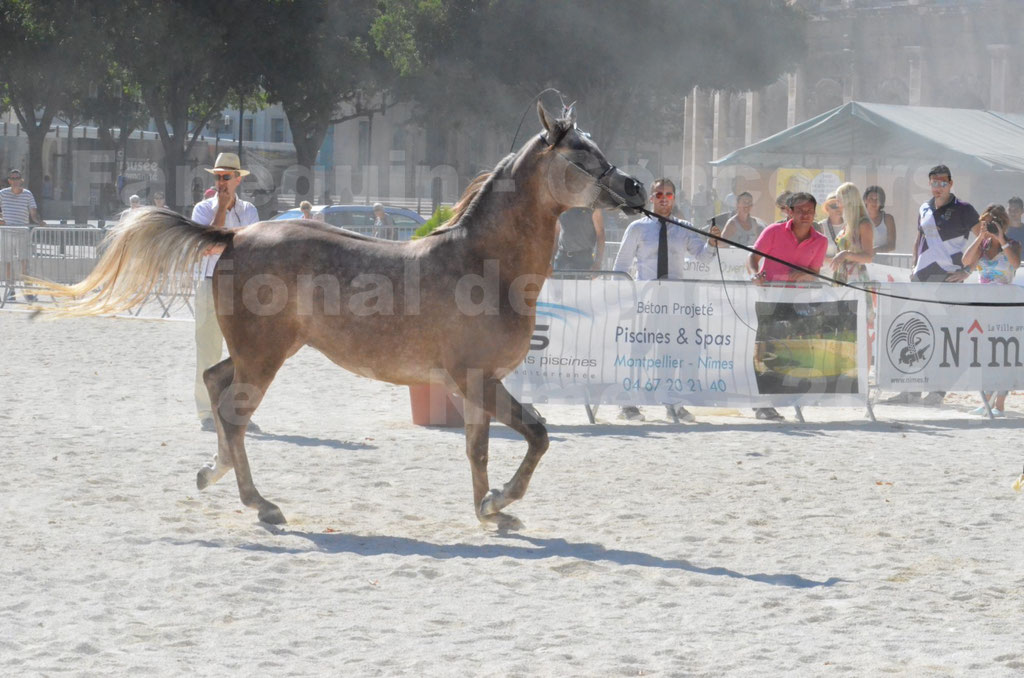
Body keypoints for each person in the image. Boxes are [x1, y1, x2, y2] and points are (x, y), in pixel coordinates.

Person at [612, 178, 721, 422]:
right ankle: (628, 403)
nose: (664, 198)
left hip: (675, 302)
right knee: (638, 350)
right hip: (646, 299)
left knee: (673, 351)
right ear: (651, 198)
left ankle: (672, 402)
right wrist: (623, 300)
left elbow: (703, 259)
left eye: (669, 195)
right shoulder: (637, 228)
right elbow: (620, 266)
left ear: (674, 198)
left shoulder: (684, 227)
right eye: (659, 194)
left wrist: (712, 243)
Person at [885, 164, 979, 406]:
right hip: (921, 280)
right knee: (913, 332)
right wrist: (914, 266)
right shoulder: (924, 207)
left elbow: (984, 239)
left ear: (951, 183)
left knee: (941, 334)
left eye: (942, 182)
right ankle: (911, 390)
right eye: (934, 182)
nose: (938, 187)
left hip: (947, 279)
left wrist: (968, 270)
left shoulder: (964, 209)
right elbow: (919, 239)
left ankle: (938, 390)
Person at [191, 152, 261, 433]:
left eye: (226, 177)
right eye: (218, 177)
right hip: (211, 284)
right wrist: (221, 210)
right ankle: (208, 413)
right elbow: (207, 246)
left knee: (242, 354)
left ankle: (238, 411)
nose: (221, 181)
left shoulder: (250, 210)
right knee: (208, 351)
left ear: (237, 180)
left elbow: (252, 249)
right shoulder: (203, 209)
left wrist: (225, 244)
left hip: (242, 287)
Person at [746, 192, 828, 421]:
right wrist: (756, 275)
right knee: (764, 352)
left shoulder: (821, 241)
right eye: (800, 210)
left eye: (810, 211)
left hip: (797, 304)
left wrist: (803, 274)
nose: (805, 215)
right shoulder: (773, 231)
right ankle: (761, 404)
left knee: (788, 353)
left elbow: (815, 272)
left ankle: (784, 402)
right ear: (789, 212)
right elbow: (752, 260)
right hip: (769, 300)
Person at [962, 204, 1021, 416]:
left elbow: (1014, 263)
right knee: (986, 356)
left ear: (1003, 224)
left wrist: (1002, 239)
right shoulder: (983, 245)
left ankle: (1000, 404)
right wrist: (980, 236)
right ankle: (986, 400)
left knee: (1004, 356)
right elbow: (966, 261)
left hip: (1005, 310)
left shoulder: (1013, 244)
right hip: (984, 309)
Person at [0, 168, 43, 302]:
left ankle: (27, 291)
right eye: (13, 178)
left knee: (25, 263)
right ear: (9, 181)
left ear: (21, 180)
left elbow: (33, 213)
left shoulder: (27, 194)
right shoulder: (2, 194)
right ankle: (11, 291)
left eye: (17, 178)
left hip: (22, 232)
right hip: (7, 232)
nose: (15, 181)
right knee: (8, 263)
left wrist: (40, 222)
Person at [830, 181, 874, 284]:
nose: (837, 204)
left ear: (848, 201)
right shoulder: (849, 224)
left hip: (856, 280)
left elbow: (868, 257)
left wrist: (845, 254)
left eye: (839, 200)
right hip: (842, 277)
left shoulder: (864, 224)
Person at [554, 207, 605, 272]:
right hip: (561, 259)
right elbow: (556, 233)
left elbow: (600, 234)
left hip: (584, 260)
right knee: (555, 281)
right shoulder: (561, 204)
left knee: (582, 282)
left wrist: (598, 263)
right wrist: (550, 261)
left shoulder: (593, 206)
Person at [863, 185, 896, 253]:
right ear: (865, 200)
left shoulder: (888, 219)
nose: (874, 202)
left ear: (881, 202)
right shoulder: (859, 219)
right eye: (871, 198)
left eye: (877, 199)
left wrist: (874, 251)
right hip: (862, 261)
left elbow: (892, 245)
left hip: (882, 262)